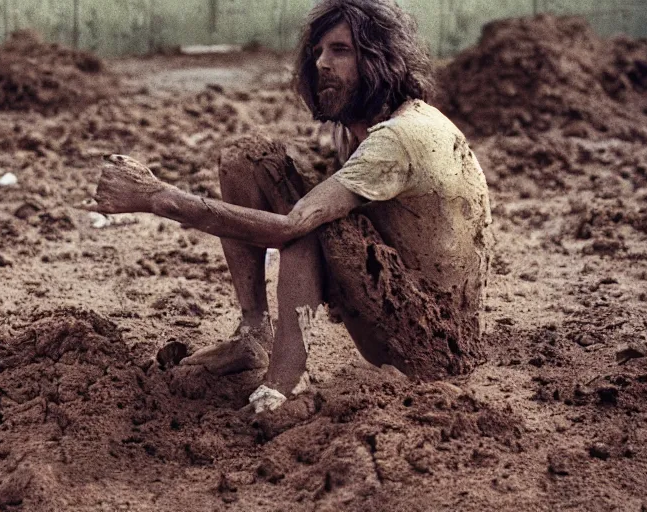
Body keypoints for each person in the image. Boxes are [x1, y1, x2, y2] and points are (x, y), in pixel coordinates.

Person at [80, 0, 492, 412]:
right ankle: (252, 333)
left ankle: (286, 380)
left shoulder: (399, 137)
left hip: (428, 352)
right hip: (404, 322)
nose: (322, 65)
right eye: (317, 53)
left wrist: (160, 198)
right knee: (249, 161)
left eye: (340, 50)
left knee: (311, 218)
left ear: (383, 58)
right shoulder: (358, 131)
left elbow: (290, 226)